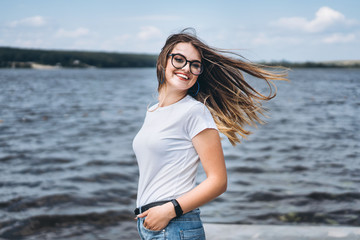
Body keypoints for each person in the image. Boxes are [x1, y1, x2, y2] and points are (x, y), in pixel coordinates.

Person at [132, 28, 287, 239]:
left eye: (195, 65)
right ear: (163, 61)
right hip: (152, 225)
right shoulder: (152, 111)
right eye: (179, 59)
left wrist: (169, 210)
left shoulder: (194, 112)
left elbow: (218, 181)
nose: (186, 68)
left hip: (174, 223)